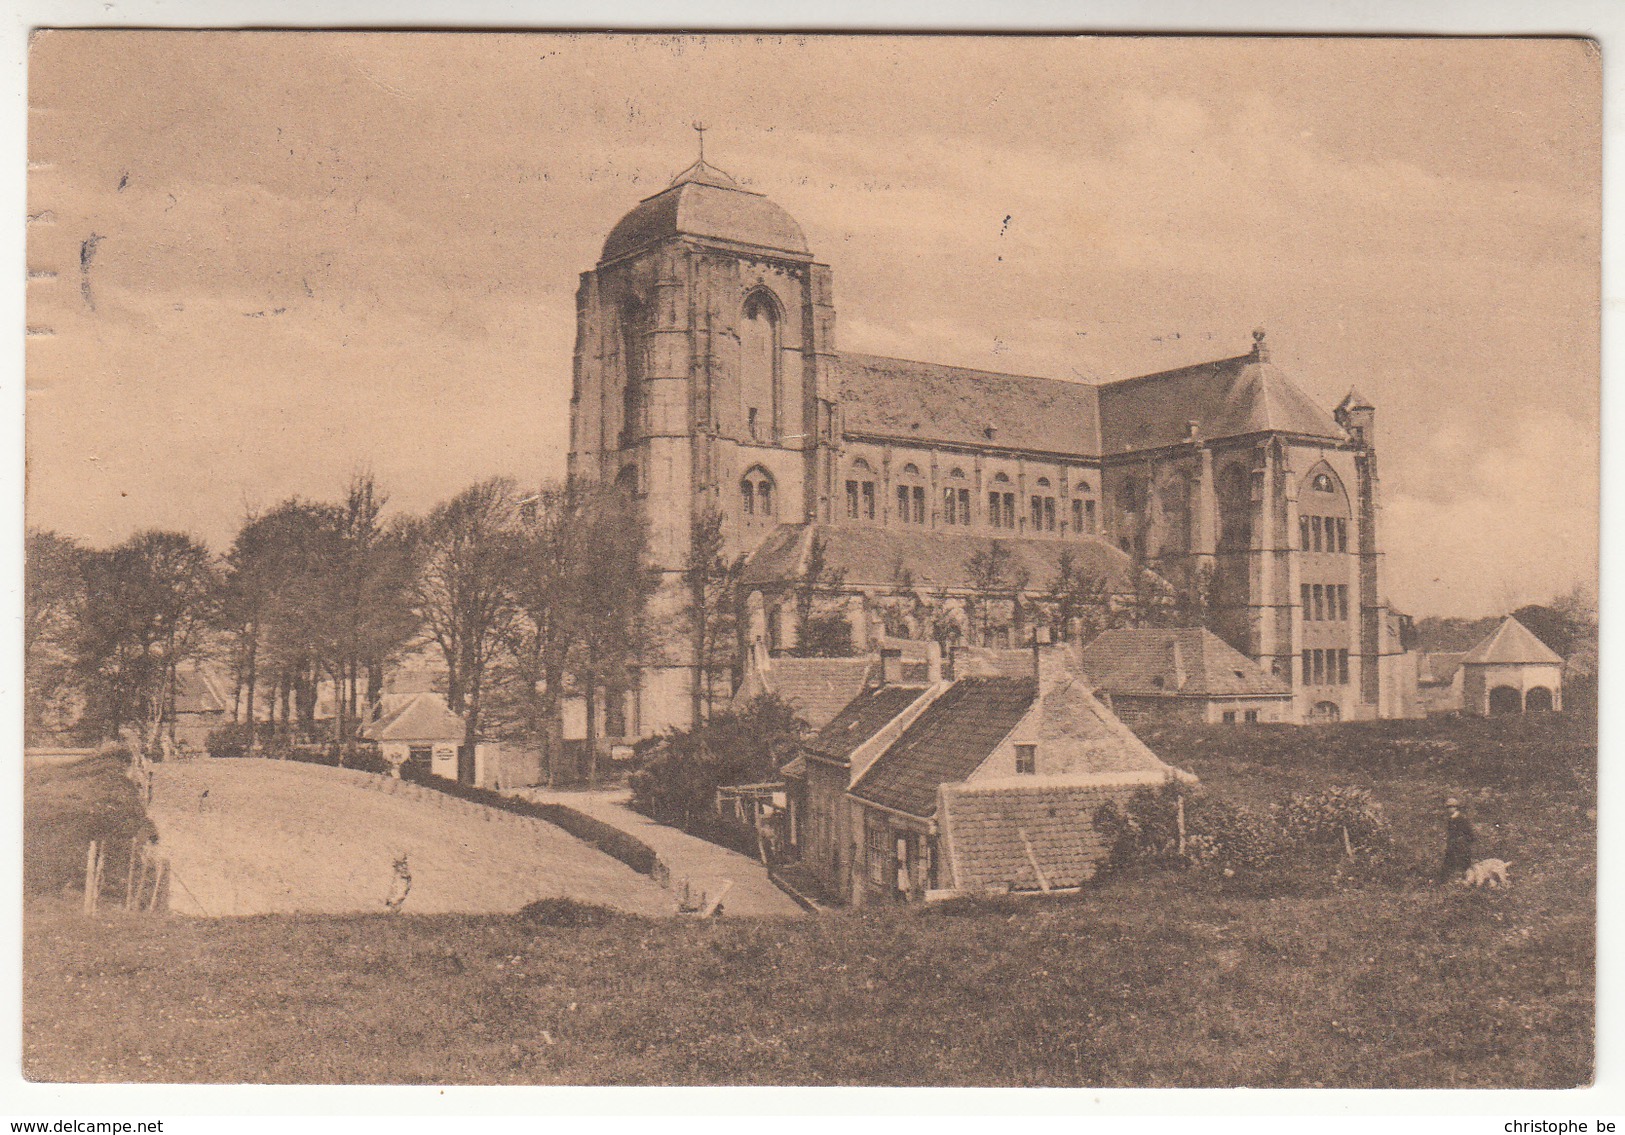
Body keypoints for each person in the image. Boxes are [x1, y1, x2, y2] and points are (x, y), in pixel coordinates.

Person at [1440, 797, 1475, 882]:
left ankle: (1467, 882)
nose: (1450, 809)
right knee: (1448, 864)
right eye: (1448, 807)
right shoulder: (1450, 819)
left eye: (1452, 807)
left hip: (1462, 846)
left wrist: (1465, 843)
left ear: (1456, 807)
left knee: (1464, 865)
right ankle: (1446, 882)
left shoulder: (1461, 819)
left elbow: (1470, 833)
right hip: (1452, 846)